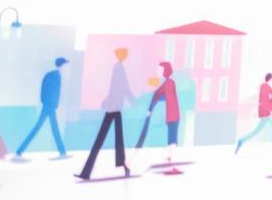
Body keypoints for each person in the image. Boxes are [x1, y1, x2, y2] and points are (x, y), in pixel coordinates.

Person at [77, 47, 135, 180]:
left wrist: (112, 101)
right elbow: (120, 88)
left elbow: (119, 87)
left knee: (102, 140)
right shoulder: (118, 67)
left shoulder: (118, 68)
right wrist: (132, 101)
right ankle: (123, 167)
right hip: (115, 107)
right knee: (116, 140)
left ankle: (87, 172)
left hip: (113, 108)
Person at [14, 57, 69, 160]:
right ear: (62, 66)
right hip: (49, 105)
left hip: (49, 105)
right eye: (66, 65)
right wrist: (52, 103)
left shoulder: (53, 75)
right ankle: (19, 152)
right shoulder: (55, 76)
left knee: (50, 128)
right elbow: (51, 91)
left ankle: (62, 152)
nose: (67, 68)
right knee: (41, 128)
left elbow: (45, 89)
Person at [146, 61, 182, 173]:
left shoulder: (168, 84)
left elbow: (159, 95)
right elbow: (160, 95)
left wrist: (150, 109)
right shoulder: (169, 83)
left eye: (160, 70)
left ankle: (171, 159)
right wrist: (151, 108)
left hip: (172, 115)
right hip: (173, 115)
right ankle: (170, 157)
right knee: (172, 138)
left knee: (172, 139)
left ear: (165, 71)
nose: (159, 71)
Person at [236, 73, 272, 154]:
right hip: (267, 114)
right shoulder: (265, 86)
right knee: (257, 131)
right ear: (270, 79)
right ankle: (241, 141)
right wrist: (270, 110)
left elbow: (270, 98)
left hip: (269, 113)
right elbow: (263, 101)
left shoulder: (265, 86)